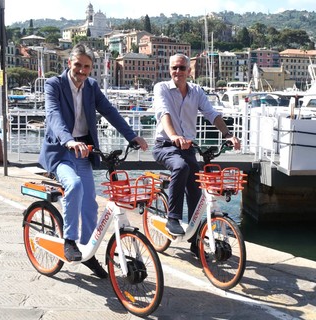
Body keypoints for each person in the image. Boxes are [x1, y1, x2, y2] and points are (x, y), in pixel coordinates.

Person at [39, 43, 148, 278]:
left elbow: (109, 111)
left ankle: (87, 252)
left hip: (84, 150)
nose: (82, 70)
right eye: (78, 64)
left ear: (91, 68)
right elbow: (53, 116)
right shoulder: (54, 85)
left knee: (90, 202)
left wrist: (131, 136)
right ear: (70, 63)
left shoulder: (91, 86)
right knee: (74, 186)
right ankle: (70, 240)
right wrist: (68, 140)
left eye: (86, 66)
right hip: (61, 150)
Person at [152, 53, 240, 256]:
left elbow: (211, 114)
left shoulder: (196, 91)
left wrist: (228, 135)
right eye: (174, 68)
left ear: (189, 71)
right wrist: (174, 135)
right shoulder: (162, 88)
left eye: (182, 68)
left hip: (188, 147)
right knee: (180, 167)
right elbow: (163, 112)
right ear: (169, 69)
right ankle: (173, 217)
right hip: (165, 145)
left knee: (196, 190)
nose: (178, 72)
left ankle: (194, 239)